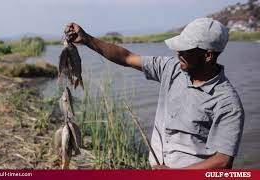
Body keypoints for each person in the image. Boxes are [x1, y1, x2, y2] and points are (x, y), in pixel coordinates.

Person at [64, 18, 244, 169]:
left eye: (186, 49)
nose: (178, 52)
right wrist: (87, 39)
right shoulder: (171, 69)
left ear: (208, 56)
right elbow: (126, 57)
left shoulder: (227, 103)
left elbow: (223, 161)